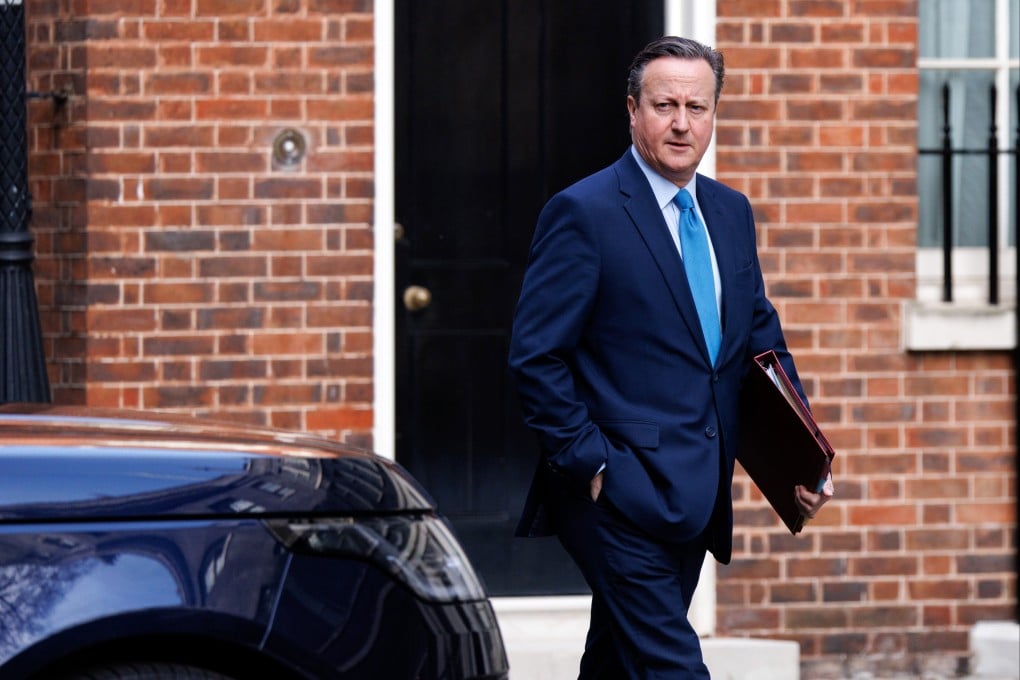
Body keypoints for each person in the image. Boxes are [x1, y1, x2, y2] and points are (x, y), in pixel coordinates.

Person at [507, 36, 833, 678]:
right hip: (616, 496)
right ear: (633, 111)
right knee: (673, 668)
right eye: (664, 105)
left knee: (619, 662)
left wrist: (805, 453)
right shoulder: (584, 213)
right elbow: (536, 355)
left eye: (697, 106)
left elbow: (760, 347)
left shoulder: (731, 213)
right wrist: (589, 461)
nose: (682, 122)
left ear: (714, 114)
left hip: (696, 495)